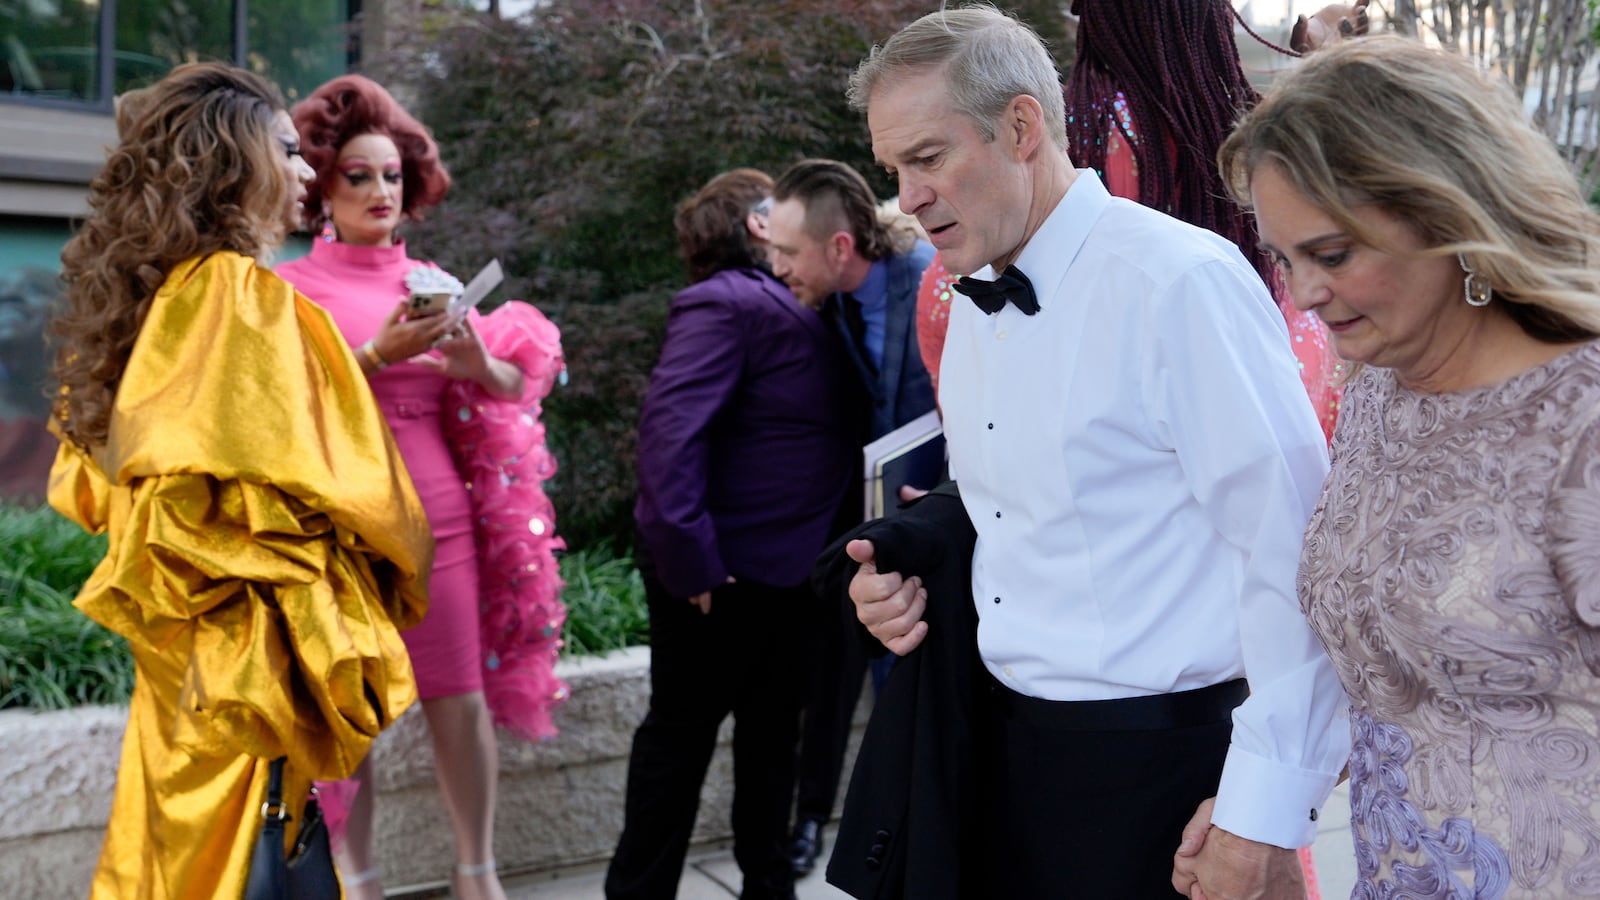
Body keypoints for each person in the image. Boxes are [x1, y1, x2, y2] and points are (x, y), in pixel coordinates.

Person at [839, 6, 1350, 897]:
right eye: (895, 170)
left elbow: (1296, 555)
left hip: (1166, 779)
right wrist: (909, 571)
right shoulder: (973, 299)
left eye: (928, 158)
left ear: (1021, 127)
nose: (908, 197)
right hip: (1001, 761)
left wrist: (1262, 814)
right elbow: (1013, 506)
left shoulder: (1180, 282)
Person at [1202, 34, 1600, 899]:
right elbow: (1401, 667)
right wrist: (1258, 811)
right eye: (1284, 259)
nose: (1303, 293)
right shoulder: (1377, 388)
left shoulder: (1583, 419)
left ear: (1449, 213)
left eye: (1332, 255)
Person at [46, 62, 431, 899]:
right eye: (288, 152)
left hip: (182, 655)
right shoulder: (241, 296)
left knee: (167, 842)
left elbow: (94, 485)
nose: (306, 174)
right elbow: (331, 486)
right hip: (239, 664)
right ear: (234, 164)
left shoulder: (161, 293)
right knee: (228, 856)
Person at [277, 74, 568, 900]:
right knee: (347, 714)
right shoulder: (291, 290)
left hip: (440, 519)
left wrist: (477, 364)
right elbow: (278, 408)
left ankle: (478, 873)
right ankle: (359, 879)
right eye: (358, 175)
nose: (381, 190)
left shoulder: (433, 280)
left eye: (393, 174)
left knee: (459, 699)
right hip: (340, 525)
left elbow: (514, 386)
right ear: (323, 186)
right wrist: (377, 357)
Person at [915, 0, 1367, 440]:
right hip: (1215, 357)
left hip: (1045, 350)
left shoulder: (1067, 120)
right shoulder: (1216, 111)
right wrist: (1326, 66)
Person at [606, 168, 857, 900]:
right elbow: (668, 438)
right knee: (679, 745)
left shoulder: (785, 299)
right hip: (718, 579)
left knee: (771, 743)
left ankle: (768, 887)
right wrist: (693, 566)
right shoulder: (723, 302)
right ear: (757, 223)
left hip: (782, 576)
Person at [764, 158, 936, 876]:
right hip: (862, 525)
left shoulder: (930, 279)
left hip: (938, 521)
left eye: (786, 253)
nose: (775, 268)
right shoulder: (826, 298)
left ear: (840, 248)